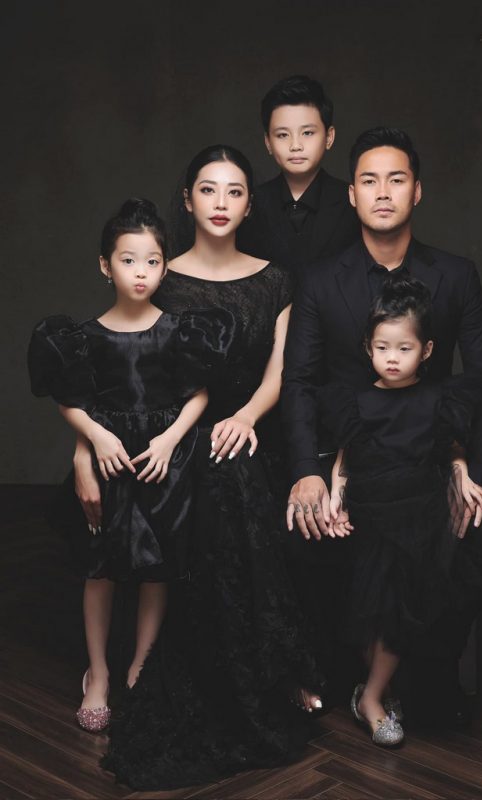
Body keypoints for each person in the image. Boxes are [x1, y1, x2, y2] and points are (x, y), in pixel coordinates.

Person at [67, 146, 323, 789]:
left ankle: (272, 670)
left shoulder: (276, 279)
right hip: (156, 433)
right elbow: (113, 371)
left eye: (235, 191)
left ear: (250, 203)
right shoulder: (158, 270)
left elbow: (282, 371)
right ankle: (133, 667)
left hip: (243, 427)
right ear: (188, 200)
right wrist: (81, 448)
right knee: (202, 488)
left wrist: (247, 418)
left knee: (236, 483)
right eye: (208, 190)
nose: (220, 203)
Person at [282, 127, 482, 725]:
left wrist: (474, 474)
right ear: (352, 194)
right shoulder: (320, 279)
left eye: (397, 179)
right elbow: (298, 381)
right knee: (302, 536)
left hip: (428, 461)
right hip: (352, 463)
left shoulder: (456, 275)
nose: (383, 192)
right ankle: (346, 671)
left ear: (418, 191)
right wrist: (308, 471)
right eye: (369, 180)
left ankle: (427, 672)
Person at [27, 198, 230, 731]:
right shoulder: (84, 337)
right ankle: (98, 672)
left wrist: (169, 440)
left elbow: (199, 395)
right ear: (105, 265)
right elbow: (70, 399)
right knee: (100, 568)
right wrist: (94, 438)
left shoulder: (179, 330)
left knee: (156, 567)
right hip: (110, 461)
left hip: (161, 461)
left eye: (153, 261)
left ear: (165, 267)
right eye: (128, 260)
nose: (141, 272)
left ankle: (141, 664)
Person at [320, 277, 482, 745]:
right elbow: (346, 456)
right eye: (382, 347)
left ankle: (372, 698)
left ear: (427, 350)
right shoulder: (355, 400)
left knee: (400, 610)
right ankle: (376, 691)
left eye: (404, 348)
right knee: (371, 612)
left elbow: (449, 449)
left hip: (419, 519)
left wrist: (461, 471)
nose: (391, 357)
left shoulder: (439, 399)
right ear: (367, 347)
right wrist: (335, 494)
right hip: (370, 516)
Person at [237, 75, 360, 274]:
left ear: (329, 137)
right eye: (282, 135)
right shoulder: (249, 204)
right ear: (268, 142)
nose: (295, 146)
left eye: (307, 133)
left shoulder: (353, 201)